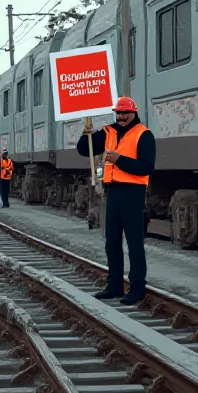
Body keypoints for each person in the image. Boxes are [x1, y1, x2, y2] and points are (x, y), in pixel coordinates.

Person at [78, 96, 155, 305]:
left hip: (133, 192)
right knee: (112, 242)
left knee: (134, 242)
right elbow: (84, 150)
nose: (121, 117)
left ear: (134, 113)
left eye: (124, 114)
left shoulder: (144, 135)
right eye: (118, 113)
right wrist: (86, 133)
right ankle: (114, 286)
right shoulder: (107, 132)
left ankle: (137, 288)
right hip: (113, 192)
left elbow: (146, 167)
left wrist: (118, 160)